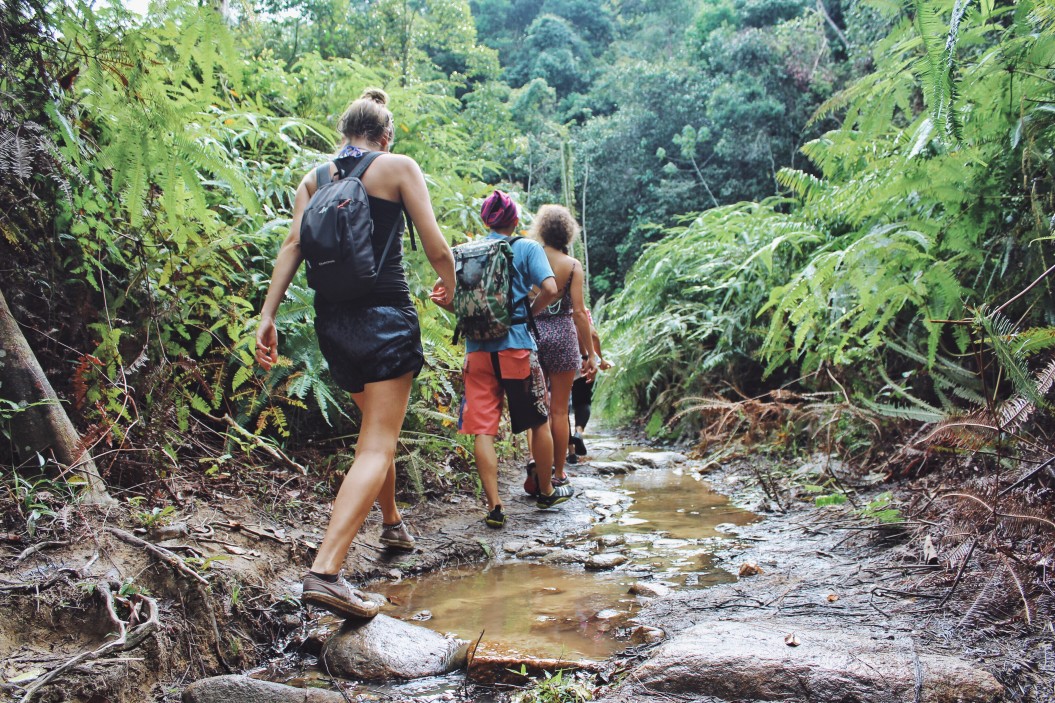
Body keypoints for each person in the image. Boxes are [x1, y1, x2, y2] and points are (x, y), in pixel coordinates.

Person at [255, 88, 456, 620]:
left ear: (344, 132)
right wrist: (450, 285)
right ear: (384, 135)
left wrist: (268, 315)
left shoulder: (314, 180)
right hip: (385, 319)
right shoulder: (396, 167)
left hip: (334, 325)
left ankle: (392, 525)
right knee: (376, 445)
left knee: (373, 431)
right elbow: (436, 247)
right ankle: (326, 573)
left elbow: (292, 247)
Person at [430, 190, 574, 529]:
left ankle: (495, 507)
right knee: (538, 420)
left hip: (477, 351)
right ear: (516, 221)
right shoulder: (525, 247)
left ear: (484, 221)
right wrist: (526, 314)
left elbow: (446, 297)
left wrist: (452, 310)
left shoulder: (462, 253)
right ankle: (547, 489)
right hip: (518, 349)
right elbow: (551, 289)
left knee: (483, 429)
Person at [524, 205, 595, 491]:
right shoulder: (573, 265)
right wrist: (590, 354)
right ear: (568, 231)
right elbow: (579, 313)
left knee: (536, 409)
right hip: (564, 338)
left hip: (532, 335)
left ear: (541, 229)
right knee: (558, 410)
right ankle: (559, 474)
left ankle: (534, 463)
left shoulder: (530, 257)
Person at [568, 320, 611, 464]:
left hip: (561, 359)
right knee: (583, 400)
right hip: (583, 362)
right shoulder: (581, 311)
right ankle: (578, 432)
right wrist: (597, 358)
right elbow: (593, 335)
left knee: (560, 409)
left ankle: (571, 452)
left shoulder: (548, 305)